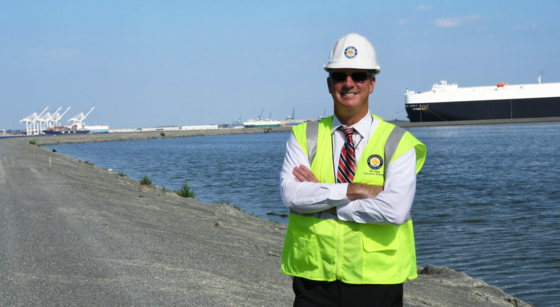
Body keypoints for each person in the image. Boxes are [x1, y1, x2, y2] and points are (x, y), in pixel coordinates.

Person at [279, 33, 427, 307]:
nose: (348, 83)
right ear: (329, 83)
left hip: (377, 281)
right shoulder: (304, 135)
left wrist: (327, 202)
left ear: (371, 84)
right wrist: (354, 190)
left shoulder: (399, 142)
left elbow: (394, 210)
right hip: (314, 279)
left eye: (358, 75)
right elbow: (291, 196)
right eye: (340, 75)